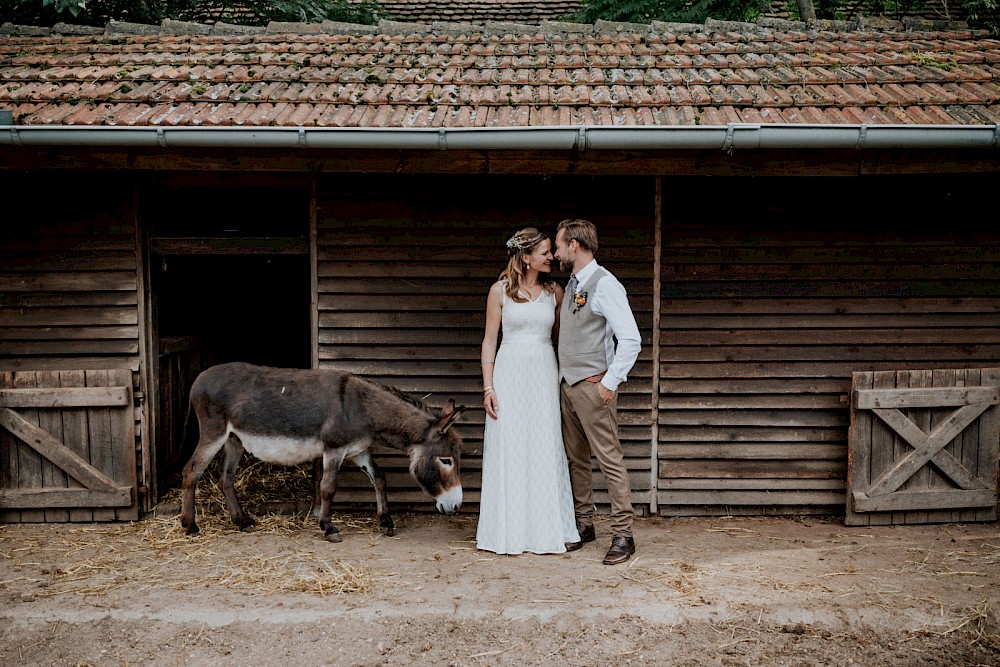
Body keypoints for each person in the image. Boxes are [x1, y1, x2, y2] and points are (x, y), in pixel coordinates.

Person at [476, 227, 581, 555]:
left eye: (551, 251)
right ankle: (509, 531)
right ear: (525, 257)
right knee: (510, 444)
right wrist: (488, 387)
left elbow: (565, 340)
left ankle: (547, 528)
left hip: (543, 374)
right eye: (545, 252)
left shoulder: (555, 292)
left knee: (544, 444)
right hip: (509, 373)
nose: (551, 257)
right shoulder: (499, 291)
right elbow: (489, 341)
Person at [553, 218, 642, 566]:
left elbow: (631, 339)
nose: (556, 253)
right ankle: (584, 523)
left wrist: (610, 383)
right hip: (568, 386)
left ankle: (623, 534)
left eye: (559, 246)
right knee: (576, 459)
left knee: (609, 459)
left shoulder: (605, 284)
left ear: (574, 245)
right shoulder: (574, 283)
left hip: (593, 386)